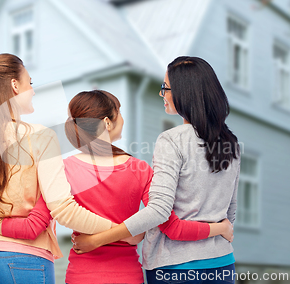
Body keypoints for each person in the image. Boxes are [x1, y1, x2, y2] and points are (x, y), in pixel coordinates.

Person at [0, 89, 234, 283]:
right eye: (120, 113)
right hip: (128, 275)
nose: (122, 119)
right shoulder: (140, 169)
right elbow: (161, 226)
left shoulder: (63, 170)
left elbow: (31, 226)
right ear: (106, 122)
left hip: (81, 275)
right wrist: (219, 227)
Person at [73, 56, 241, 284]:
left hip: (175, 267)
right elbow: (230, 213)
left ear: (184, 92)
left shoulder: (171, 140)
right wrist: (219, 228)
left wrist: (98, 239)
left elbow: (159, 211)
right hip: (222, 263)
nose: (162, 94)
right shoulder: (231, 143)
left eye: (166, 88)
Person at [0, 53, 116, 284]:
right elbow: (63, 209)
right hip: (25, 260)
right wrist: (118, 229)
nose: (33, 91)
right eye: (30, 83)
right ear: (15, 85)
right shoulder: (41, 137)